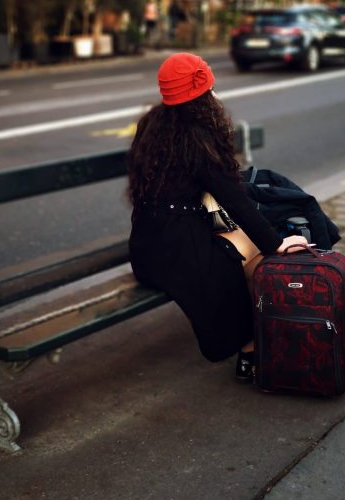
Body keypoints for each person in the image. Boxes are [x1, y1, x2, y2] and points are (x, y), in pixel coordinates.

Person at [127, 53, 309, 382]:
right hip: (180, 253)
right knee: (252, 257)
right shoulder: (197, 138)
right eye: (211, 88)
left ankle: (255, 343)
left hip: (145, 253)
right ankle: (252, 349)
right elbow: (235, 200)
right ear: (203, 94)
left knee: (241, 248)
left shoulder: (153, 125)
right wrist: (277, 244)